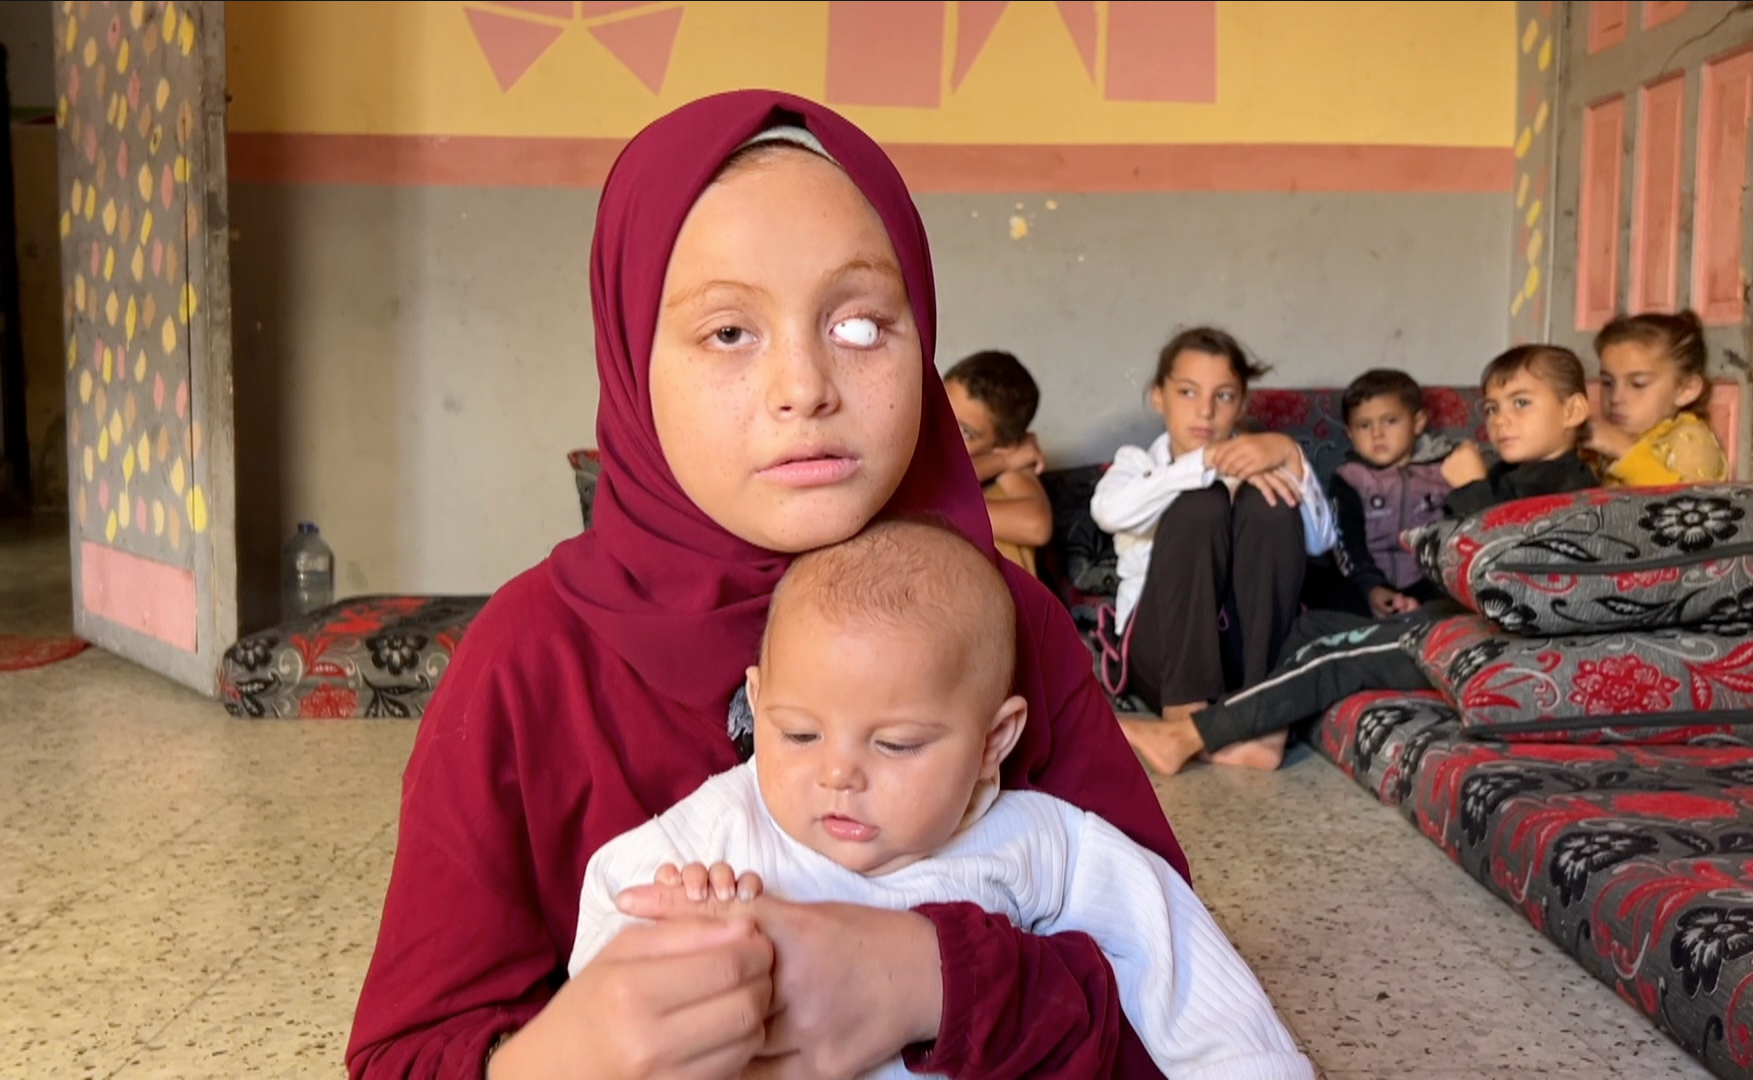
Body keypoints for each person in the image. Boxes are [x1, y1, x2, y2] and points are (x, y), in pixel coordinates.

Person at [345, 91, 1188, 1080]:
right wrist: (549, 1062)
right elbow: (405, 1053)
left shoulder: (1003, 625)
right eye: (729, 333)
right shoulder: (531, 663)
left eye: (864, 325)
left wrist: (927, 980)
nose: (806, 386)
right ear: (628, 361)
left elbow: (1176, 989)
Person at [571, 517, 1317, 1080]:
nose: (838, 774)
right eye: (798, 734)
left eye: (895, 745)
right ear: (758, 703)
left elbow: (1175, 958)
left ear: (994, 739)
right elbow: (611, 929)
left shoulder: (1037, 840)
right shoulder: (719, 831)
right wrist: (671, 927)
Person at [1119, 344, 1601, 776]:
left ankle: (1189, 737)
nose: (1500, 421)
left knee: (1342, 654)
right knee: (1310, 630)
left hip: (1503, 634)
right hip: (1456, 617)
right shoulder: (1499, 475)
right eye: (1492, 408)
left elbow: (1514, 573)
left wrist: (1471, 490)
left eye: (1520, 404)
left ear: (1575, 409)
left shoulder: (1576, 491)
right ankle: (1262, 730)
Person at [1093, 327, 1338, 772]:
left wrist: (1287, 454)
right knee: (1199, 505)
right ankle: (1182, 719)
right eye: (1187, 392)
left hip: (1244, 655)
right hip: (1162, 654)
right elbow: (1109, 512)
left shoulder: (1265, 460)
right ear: (1158, 396)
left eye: (1224, 396)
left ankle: (1261, 722)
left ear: (1242, 405)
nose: (1205, 410)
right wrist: (1205, 464)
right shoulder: (1138, 463)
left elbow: (1321, 542)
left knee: (1268, 502)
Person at [1328, 369, 1455, 619]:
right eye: (1364, 425)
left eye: (1390, 421)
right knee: (1318, 583)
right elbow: (1345, 543)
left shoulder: (1446, 471)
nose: (1377, 433)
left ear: (1418, 423)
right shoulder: (1349, 478)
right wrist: (1372, 587)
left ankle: (1420, 620)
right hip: (1366, 582)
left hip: (1432, 582)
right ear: (1350, 435)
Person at [1583, 308, 1730, 486]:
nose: (1615, 398)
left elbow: (1684, 506)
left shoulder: (1692, 441)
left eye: (1638, 384)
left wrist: (1625, 450)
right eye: (1607, 383)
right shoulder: (1606, 438)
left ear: (1686, 390)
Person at [944, 350, 1052, 575]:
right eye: (940, 409)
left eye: (965, 432)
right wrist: (1005, 460)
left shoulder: (1005, 467)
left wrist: (942, 510)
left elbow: (1037, 526)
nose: (941, 431)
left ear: (1002, 444)